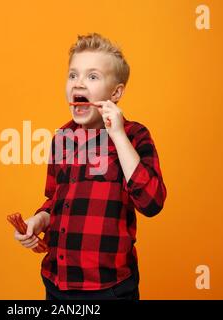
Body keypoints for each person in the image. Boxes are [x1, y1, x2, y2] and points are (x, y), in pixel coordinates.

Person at [13, 33, 167, 300]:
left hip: (110, 288)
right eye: (73, 75)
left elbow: (152, 202)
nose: (78, 84)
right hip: (57, 282)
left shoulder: (134, 136)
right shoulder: (62, 138)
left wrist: (117, 135)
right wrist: (39, 220)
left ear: (116, 92)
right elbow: (56, 200)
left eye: (92, 77)